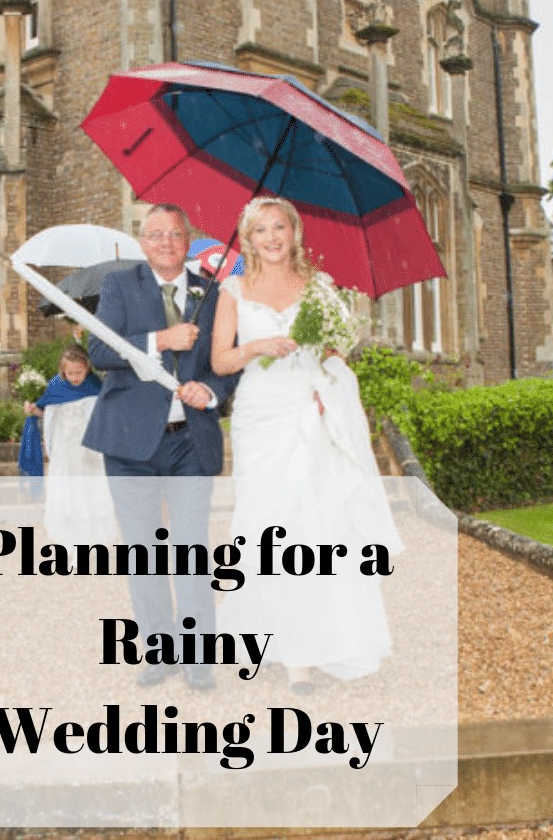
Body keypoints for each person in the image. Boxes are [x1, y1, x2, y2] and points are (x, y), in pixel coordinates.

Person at [211, 196, 402, 692]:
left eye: (280, 227)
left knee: (317, 528)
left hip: (309, 411)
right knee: (266, 526)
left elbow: (339, 347)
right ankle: (277, 639)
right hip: (260, 418)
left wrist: (327, 386)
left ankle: (314, 643)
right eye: (260, 230)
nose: (272, 237)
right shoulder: (233, 289)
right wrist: (257, 347)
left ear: (295, 233)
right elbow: (221, 362)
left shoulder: (318, 287)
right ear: (248, 239)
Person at [83, 203, 239, 690]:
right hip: (130, 443)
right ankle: (159, 651)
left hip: (189, 442)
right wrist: (159, 339)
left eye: (175, 234)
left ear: (187, 239)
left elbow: (225, 364)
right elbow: (101, 351)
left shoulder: (212, 293)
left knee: (192, 547)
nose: (166, 242)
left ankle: (198, 659)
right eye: (156, 234)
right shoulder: (118, 286)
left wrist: (210, 392)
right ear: (142, 240)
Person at [20, 345, 116, 546]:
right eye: (69, 373)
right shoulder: (56, 386)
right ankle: (71, 542)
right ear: (62, 371)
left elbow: (105, 413)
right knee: (69, 493)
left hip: (89, 451)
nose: (74, 377)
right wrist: (32, 410)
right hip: (65, 452)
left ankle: (95, 541)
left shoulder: (94, 385)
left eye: (78, 372)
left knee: (91, 492)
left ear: (87, 368)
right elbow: (48, 413)